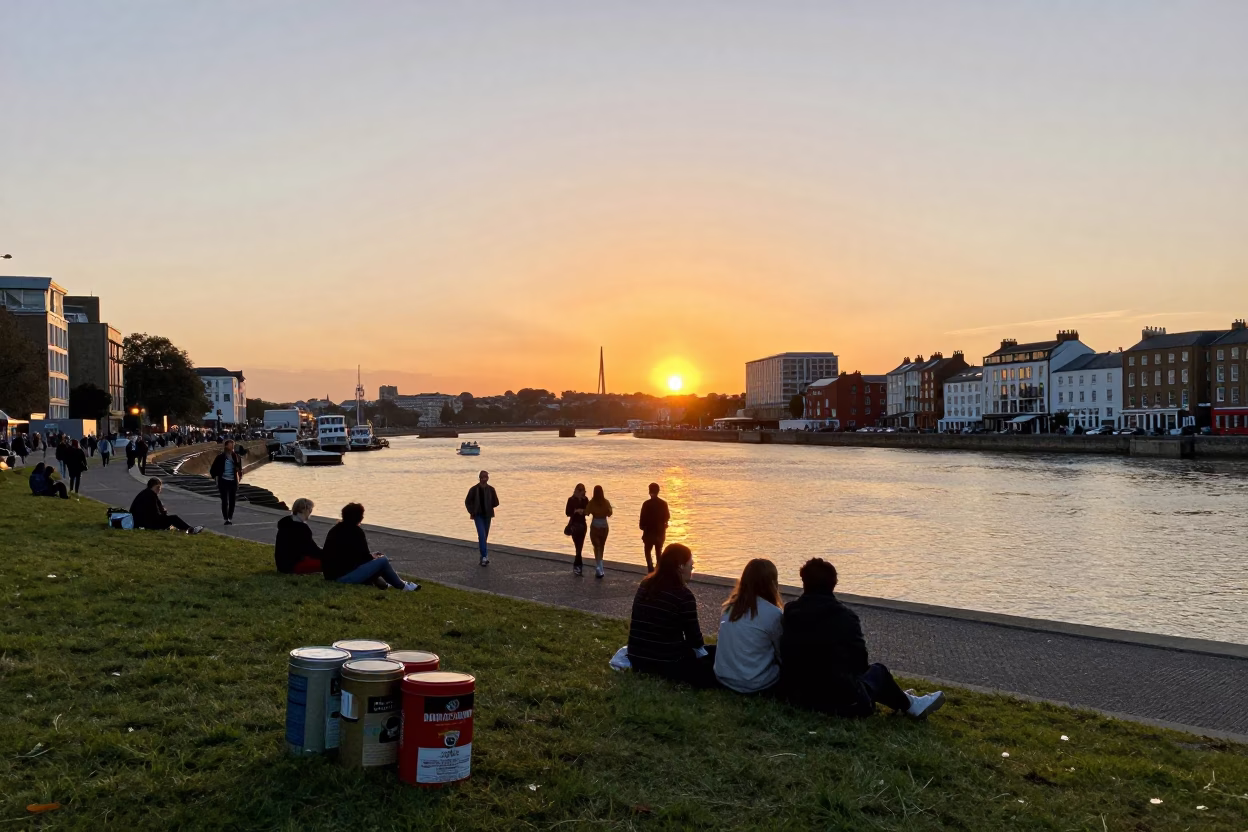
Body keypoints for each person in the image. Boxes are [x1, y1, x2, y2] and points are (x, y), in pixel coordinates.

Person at [780, 558, 944, 718]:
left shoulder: (791, 612)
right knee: (878, 672)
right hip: (843, 702)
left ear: (803, 581)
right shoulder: (845, 617)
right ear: (834, 583)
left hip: (799, 698)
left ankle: (901, 697)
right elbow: (860, 663)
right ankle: (912, 705)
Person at [626, 543, 718, 688]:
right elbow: (695, 641)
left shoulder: (645, 585)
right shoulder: (684, 595)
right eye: (691, 566)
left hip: (637, 658)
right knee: (715, 654)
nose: (691, 570)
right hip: (667, 662)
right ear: (681, 567)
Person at [714, 559, 784, 694]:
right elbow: (780, 651)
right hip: (755, 682)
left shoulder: (729, 608)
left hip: (723, 677)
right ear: (772, 584)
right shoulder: (773, 614)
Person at [321, 502, 419, 590]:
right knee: (383, 561)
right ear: (359, 517)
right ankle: (403, 586)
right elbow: (363, 558)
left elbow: (350, 555)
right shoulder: (356, 532)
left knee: (377, 563)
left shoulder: (335, 529)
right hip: (342, 577)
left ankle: (385, 584)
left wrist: (371, 556)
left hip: (331, 575)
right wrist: (373, 557)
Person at [128, 477, 204, 533]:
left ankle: (186, 528)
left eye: (160, 488)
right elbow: (155, 514)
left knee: (171, 519)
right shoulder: (150, 496)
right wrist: (164, 514)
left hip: (140, 521)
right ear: (152, 486)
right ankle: (190, 530)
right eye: (157, 487)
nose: (159, 489)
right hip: (146, 523)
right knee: (173, 518)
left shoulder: (146, 493)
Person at [274, 497, 323, 575]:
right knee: (328, 563)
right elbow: (312, 550)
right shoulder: (301, 528)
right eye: (310, 509)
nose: (310, 512)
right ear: (304, 510)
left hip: (282, 565)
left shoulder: (286, 522)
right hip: (293, 565)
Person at [464, 470, 499, 567]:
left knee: (484, 535)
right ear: (480, 478)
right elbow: (467, 502)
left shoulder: (491, 489)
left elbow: (496, 502)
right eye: (483, 477)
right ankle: (484, 557)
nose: (484, 479)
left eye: (486, 477)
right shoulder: (474, 490)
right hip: (478, 515)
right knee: (481, 534)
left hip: (487, 515)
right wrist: (472, 511)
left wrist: (489, 504)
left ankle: (482, 555)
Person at [208, 439, 243, 525]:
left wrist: (239, 473)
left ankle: (229, 518)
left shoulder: (236, 457)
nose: (232, 447)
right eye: (230, 445)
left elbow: (240, 469)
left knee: (232, 501)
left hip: (233, 482)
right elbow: (213, 469)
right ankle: (225, 518)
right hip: (223, 481)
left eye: (233, 445)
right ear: (226, 446)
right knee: (224, 501)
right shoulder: (220, 457)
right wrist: (216, 477)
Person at [638, 482, 670, 572]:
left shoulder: (646, 504)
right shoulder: (663, 503)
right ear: (658, 491)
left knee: (647, 551)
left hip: (648, 532)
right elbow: (667, 516)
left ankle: (650, 568)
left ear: (649, 492)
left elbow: (642, 518)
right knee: (658, 551)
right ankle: (658, 569)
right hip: (660, 532)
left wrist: (642, 527)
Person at [585, 485, 613, 579]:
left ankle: (599, 566)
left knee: (596, 546)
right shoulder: (606, 502)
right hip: (604, 526)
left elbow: (587, 512)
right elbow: (609, 513)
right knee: (602, 546)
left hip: (595, 525)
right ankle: (600, 566)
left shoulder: (592, 502)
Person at [564, 483, 589, 576]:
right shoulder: (571, 500)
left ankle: (578, 565)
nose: (584, 493)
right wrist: (575, 511)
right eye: (582, 491)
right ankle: (578, 565)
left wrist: (583, 511)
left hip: (583, 524)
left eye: (584, 491)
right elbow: (567, 512)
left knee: (580, 545)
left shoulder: (585, 499)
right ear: (577, 491)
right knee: (577, 545)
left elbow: (588, 511)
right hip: (574, 524)